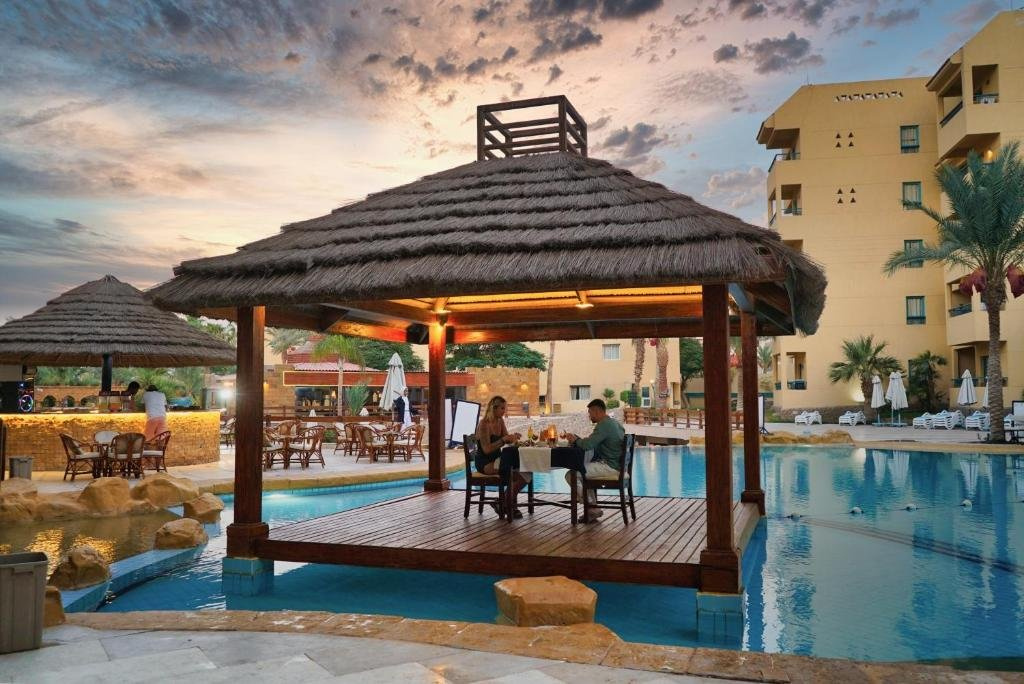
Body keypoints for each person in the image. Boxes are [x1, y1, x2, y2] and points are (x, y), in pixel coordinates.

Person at [564, 398, 625, 520]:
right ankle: (592, 506)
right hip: (616, 465)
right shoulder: (614, 423)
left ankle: (592, 507)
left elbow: (588, 445)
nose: (589, 416)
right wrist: (579, 440)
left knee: (571, 475)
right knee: (583, 472)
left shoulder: (603, 425)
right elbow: (593, 443)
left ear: (597, 411)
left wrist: (575, 440)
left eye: (590, 413)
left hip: (610, 466)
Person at [474, 396, 528, 518]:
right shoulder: (484, 424)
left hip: (498, 460)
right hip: (485, 463)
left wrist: (513, 437)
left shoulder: (500, 421)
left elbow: (506, 439)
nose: (504, 411)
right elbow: (486, 449)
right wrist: (503, 440)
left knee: (525, 472)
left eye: (505, 408)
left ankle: (502, 503)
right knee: (519, 475)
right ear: (494, 408)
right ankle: (508, 505)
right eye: (502, 408)